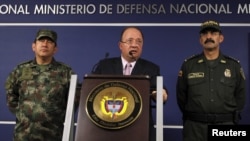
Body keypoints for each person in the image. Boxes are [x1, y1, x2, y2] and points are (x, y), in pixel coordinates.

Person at [92, 26, 168, 141]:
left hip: (139, 128)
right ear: (120, 46)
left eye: (139, 42)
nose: (134, 45)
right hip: (108, 127)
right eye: (130, 41)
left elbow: (159, 90)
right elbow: (91, 89)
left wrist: (161, 93)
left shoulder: (151, 68)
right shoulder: (104, 66)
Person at [176, 20, 246, 141]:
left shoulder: (234, 66)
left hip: (225, 126)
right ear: (200, 40)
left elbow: (240, 97)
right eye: (204, 34)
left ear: (221, 38)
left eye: (213, 33)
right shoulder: (188, 65)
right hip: (195, 129)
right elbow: (181, 97)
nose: (209, 37)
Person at [5, 29, 77, 141]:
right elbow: (11, 96)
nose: (45, 44)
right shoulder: (20, 70)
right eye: (41, 41)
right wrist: (25, 115)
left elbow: (73, 101)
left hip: (52, 134)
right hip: (23, 135)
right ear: (33, 46)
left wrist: (53, 115)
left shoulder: (66, 72)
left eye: (49, 42)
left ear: (55, 49)